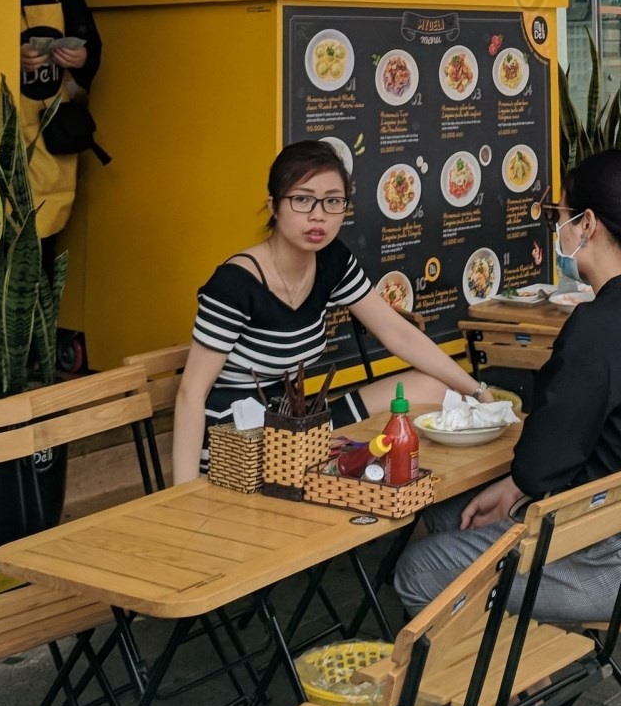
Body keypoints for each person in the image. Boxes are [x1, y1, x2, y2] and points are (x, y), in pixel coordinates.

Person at [395, 149, 621, 624]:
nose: (556, 228)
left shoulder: (599, 325)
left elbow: (540, 464)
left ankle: (505, 671)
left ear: (587, 224)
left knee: (417, 571)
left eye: (558, 215)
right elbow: (550, 461)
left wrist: (520, 487)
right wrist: (518, 487)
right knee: (442, 517)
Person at [172, 141, 492, 482]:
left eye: (332, 201)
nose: (318, 215)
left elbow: (397, 333)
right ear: (274, 206)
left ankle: (447, 487)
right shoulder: (235, 283)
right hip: (238, 439)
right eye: (302, 199)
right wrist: (184, 495)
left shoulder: (331, 260)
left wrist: (478, 391)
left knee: (433, 389)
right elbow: (191, 393)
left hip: (296, 422)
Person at [19, 0, 102, 246]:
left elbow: (91, 44)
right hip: (3, 126)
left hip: (51, 129)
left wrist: (81, 58)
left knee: (46, 239)